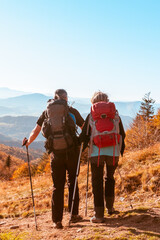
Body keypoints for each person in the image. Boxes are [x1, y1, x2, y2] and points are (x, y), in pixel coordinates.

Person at [22, 89, 84, 229]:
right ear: (65, 98)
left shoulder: (47, 112)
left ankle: (57, 220)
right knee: (73, 182)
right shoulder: (71, 110)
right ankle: (74, 215)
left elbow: (36, 130)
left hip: (55, 154)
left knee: (57, 186)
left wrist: (28, 142)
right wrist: (83, 141)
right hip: (72, 152)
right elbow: (84, 127)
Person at [80, 91, 125, 223]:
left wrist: (81, 147)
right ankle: (110, 208)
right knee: (109, 178)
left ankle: (99, 215)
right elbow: (122, 133)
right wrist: (120, 150)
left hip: (96, 153)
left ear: (93, 102)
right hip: (113, 153)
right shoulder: (115, 115)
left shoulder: (91, 116)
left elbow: (84, 135)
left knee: (97, 182)